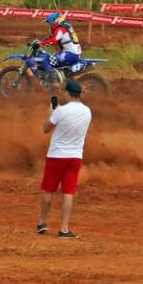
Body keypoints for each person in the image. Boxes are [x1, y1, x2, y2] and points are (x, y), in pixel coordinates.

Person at [37, 80, 92, 239]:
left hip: (56, 155)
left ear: (68, 93)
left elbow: (46, 129)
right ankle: (64, 229)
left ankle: (42, 222)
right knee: (68, 192)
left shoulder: (60, 111)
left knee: (48, 189)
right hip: (75, 156)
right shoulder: (87, 111)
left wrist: (50, 112)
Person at [39, 12, 82, 79]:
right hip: (72, 53)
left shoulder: (60, 29)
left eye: (50, 23)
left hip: (71, 54)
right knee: (52, 57)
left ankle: (52, 81)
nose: (50, 25)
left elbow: (53, 40)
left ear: (54, 21)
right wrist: (43, 40)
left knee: (46, 60)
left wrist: (41, 44)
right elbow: (53, 38)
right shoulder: (65, 26)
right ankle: (59, 76)